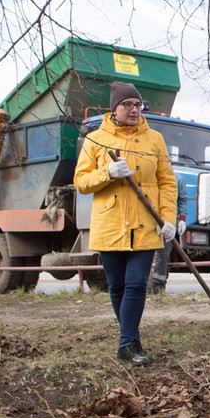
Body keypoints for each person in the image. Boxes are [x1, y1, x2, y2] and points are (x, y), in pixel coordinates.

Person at [74, 81, 179, 365]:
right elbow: (81, 182)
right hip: (110, 223)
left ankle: (126, 345)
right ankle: (131, 338)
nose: (134, 109)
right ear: (115, 109)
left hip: (146, 223)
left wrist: (168, 219)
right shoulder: (96, 138)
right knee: (117, 287)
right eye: (127, 105)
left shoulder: (154, 139)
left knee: (135, 285)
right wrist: (106, 172)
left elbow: (167, 182)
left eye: (138, 104)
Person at [147, 172, 189, 295]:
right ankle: (144, 287)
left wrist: (182, 219)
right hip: (149, 223)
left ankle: (158, 288)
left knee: (162, 256)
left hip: (167, 224)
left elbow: (182, 200)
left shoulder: (178, 180)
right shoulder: (149, 178)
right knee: (146, 256)